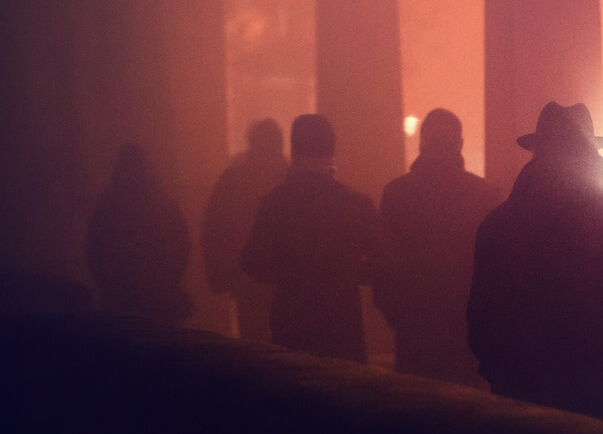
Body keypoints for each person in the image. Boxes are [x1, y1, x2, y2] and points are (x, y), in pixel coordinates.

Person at [467, 102, 603, 430]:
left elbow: (481, 324)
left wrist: (509, 375)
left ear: (537, 151)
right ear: (594, 153)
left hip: (525, 410)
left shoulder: (498, 227)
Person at [241, 114, 384, 361]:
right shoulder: (357, 204)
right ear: (332, 150)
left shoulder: (276, 203)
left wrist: (287, 273)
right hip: (342, 320)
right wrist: (351, 273)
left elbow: (251, 262)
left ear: (295, 150)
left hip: (291, 320)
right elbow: (383, 261)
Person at [376, 109, 502, 387]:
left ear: (422, 143)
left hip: (414, 332)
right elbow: (497, 270)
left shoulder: (396, 193)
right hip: (468, 335)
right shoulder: (486, 195)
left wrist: (397, 317)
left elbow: (383, 266)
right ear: (460, 143)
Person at [201, 119, 289, 342]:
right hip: (286, 280)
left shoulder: (232, 180)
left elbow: (213, 229)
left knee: (253, 343)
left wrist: (222, 272)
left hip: (245, 277)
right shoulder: (293, 181)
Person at [86, 143, 193, 326]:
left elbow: (95, 248)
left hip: (119, 299)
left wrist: (108, 283)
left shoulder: (108, 203)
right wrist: (168, 280)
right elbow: (181, 244)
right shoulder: (161, 201)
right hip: (159, 298)